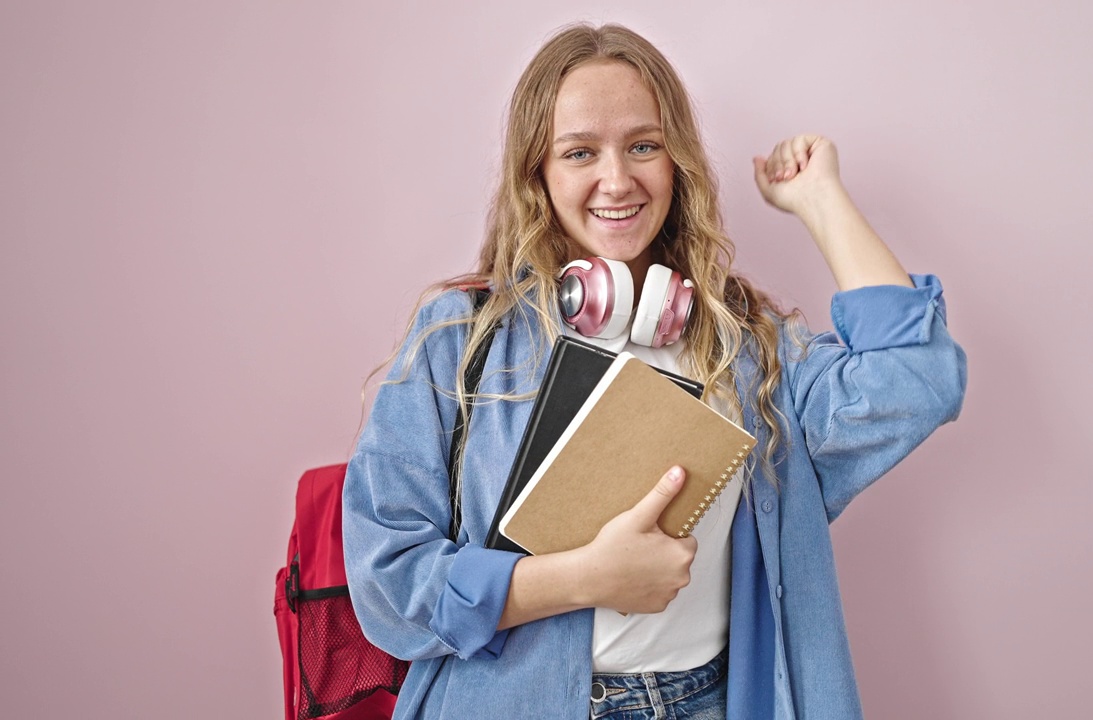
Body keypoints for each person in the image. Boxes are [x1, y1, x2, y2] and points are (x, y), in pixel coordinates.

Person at [342, 22, 966, 720]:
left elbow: (917, 378)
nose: (618, 180)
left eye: (644, 145)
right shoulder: (459, 338)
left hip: (708, 701)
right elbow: (386, 582)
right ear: (538, 175)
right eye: (579, 152)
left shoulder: (745, 344)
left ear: (678, 163)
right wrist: (582, 579)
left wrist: (819, 201)